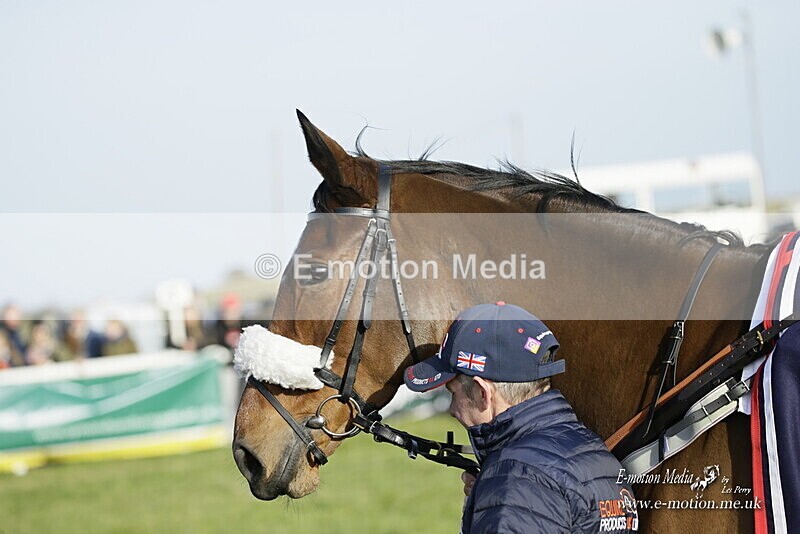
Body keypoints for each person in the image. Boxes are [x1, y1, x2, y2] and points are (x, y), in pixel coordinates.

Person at [404, 302, 638, 533]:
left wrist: (505, 493)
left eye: (452, 393)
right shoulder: (596, 455)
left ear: (482, 392)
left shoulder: (517, 477)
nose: (451, 409)